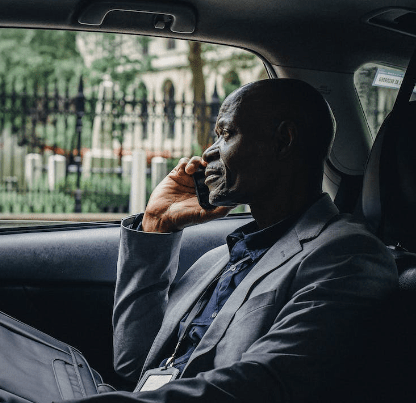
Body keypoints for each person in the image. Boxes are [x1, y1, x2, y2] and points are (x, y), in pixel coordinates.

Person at [68, 79, 398, 403]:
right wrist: (157, 224)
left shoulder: (349, 257)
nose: (208, 153)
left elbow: (262, 385)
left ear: (283, 140)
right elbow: (134, 362)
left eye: (226, 134)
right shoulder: (216, 260)